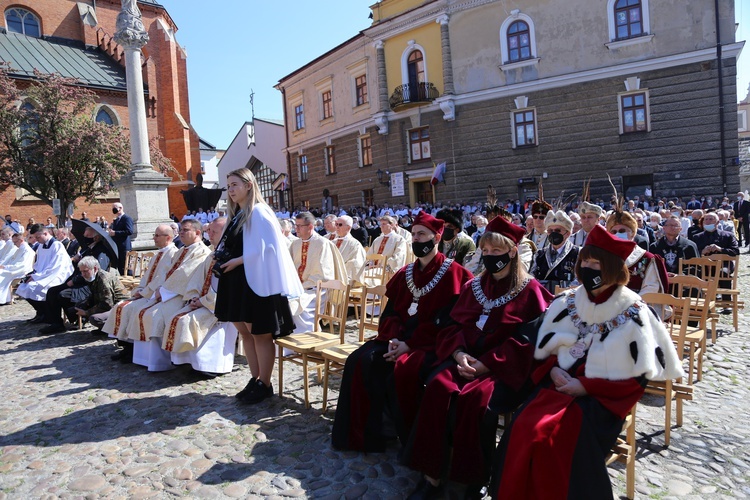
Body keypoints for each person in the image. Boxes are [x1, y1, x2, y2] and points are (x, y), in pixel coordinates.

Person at [491, 224, 683, 499]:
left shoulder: (634, 311)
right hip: (556, 387)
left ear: (614, 268)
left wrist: (586, 386)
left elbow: (638, 376)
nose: (589, 268)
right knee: (521, 430)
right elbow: (540, 344)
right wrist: (553, 369)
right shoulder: (567, 302)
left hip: (599, 401)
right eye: (586, 262)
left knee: (551, 442)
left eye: (597, 263)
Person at [403, 215, 552, 499]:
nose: (489, 256)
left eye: (496, 251)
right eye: (485, 251)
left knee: (476, 403)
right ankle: (431, 473)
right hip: (464, 359)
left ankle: (472, 478)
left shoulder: (531, 290)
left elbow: (526, 341)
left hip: (502, 369)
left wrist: (487, 364)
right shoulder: (474, 286)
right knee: (437, 387)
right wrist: (458, 353)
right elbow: (452, 326)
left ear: (511, 252)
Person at [331, 212, 473, 452]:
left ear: (437, 237)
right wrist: (395, 338)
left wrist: (410, 344)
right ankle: (366, 435)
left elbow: (449, 323)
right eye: (414, 234)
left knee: (400, 371)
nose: (417, 239)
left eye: (422, 234)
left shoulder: (455, 274)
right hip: (396, 339)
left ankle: (412, 441)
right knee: (359, 360)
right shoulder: (405, 273)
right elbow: (390, 313)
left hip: (431, 344)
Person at [216, 168, 302, 404]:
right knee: (245, 332)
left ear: (249, 185)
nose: (231, 190)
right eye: (228, 186)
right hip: (237, 280)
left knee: (261, 334)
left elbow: (272, 248)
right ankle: (255, 379)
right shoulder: (238, 214)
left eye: (235, 185)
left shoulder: (260, 211)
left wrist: (240, 260)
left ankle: (265, 382)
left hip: (256, 281)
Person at [127, 219, 211, 370]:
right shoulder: (181, 250)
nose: (181, 233)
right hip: (168, 291)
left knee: (154, 316)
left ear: (197, 233)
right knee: (141, 312)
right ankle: (146, 359)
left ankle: (161, 362)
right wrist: (157, 289)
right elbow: (166, 272)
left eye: (185, 230)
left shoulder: (202, 252)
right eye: (181, 230)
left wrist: (163, 291)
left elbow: (185, 274)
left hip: (180, 294)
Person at [164, 217, 238, 376]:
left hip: (220, 306)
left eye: (214, 231)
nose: (209, 234)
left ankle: (211, 366)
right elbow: (197, 279)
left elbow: (226, 288)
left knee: (186, 321)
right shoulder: (212, 255)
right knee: (176, 317)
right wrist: (194, 297)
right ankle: (192, 362)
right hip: (205, 302)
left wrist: (203, 301)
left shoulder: (233, 256)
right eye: (209, 231)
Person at [102, 225, 178, 362]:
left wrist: (145, 292)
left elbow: (162, 278)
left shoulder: (173, 254)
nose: (153, 238)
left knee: (131, 309)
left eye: (156, 235)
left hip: (156, 296)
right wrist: (139, 289)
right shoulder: (159, 253)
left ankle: (132, 351)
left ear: (168, 237)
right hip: (145, 293)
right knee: (120, 306)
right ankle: (125, 347)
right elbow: (147, 275)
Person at [39, 226, 114, 334]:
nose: (85, 238)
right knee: (51, 291)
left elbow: (95, 272)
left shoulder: (101, 251)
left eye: (88, 236)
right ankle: (55, 322)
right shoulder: (87, 249)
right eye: (85, 236)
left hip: (89, 285)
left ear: (96, 237)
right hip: (79, 280)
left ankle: (79, 317)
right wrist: (75, 261)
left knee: (62, 294)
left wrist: (75, 281)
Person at [16, 224, 74, 323]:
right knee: (23, 287)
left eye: (38, 237)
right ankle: (41, 312)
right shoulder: (41, 246)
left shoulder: (57, 245)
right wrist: (33, 274)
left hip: (58, 276)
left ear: (46, 233)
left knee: (35, 287)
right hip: (44, 275)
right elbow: (38, 264)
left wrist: (36, 277)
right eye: (35, 237)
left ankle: (47, 315)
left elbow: (55, 267)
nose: (36, 239)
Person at [606, 210, 668, 296]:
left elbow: (651, 287)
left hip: (637, 305)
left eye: (622, 230)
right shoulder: (603, 257)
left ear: (632, 233)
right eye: (613, 232)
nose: (617, 234)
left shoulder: (648, 259)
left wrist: (630, 303)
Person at [72, 256, 129, 332]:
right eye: (81, 271)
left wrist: (86, 312)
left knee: (95, 318)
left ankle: (112, 330)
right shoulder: (92, 277)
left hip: (121, 307)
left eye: (85, 271)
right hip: (112, 305)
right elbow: (95, 296)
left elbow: (107, 304)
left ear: (95, 269)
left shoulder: (103, 279)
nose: (83, 274)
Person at [530, 210, 579, 293]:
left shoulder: (577, 253)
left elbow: (579, 281)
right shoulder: (539, 254)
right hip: (544, 299)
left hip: (566, 300)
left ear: (568, 233)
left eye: (557, 231)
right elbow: (532, 279)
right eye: (550, 231)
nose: (553, 233)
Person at [0, 232, 35, 305]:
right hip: (13, 269)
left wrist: (6, 267)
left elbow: (22, 265)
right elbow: (12, 261)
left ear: (21, 240)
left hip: (20, 271)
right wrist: (4, 266)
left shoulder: (27, 250)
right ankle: (5, 298)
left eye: (15, 242)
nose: (14, 244)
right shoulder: (20, 248)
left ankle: (3, 299)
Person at [332, 215, 367, 286]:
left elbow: (357, 263)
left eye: (340, 225)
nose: (337, 227)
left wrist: (339, 269)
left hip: (345, 277)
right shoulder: (332, 242)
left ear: (348, 228)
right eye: (336, 224)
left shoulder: (355, 244)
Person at [108, 202, 133, 275]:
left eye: (115, 207)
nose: (113, 209)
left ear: (120, 208)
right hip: (117, 246)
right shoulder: (116, 220)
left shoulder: (126, 218)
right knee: (120, 267)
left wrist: (116, 233)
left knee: (126, 267)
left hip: (124, 247)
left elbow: (129, 231)